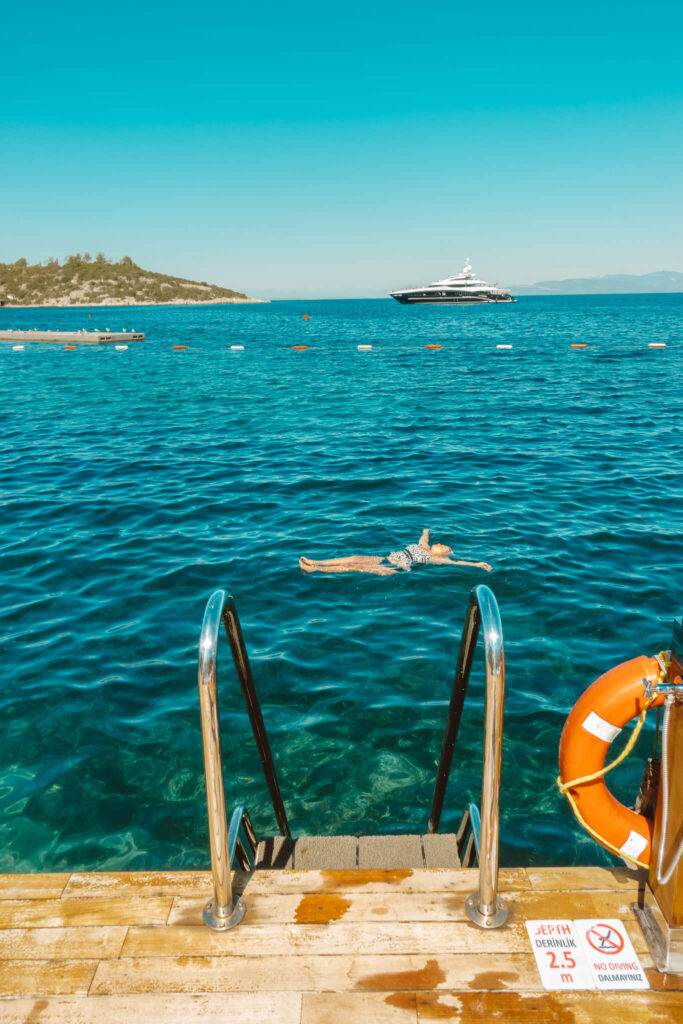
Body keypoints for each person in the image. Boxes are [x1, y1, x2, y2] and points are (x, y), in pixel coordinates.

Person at [299, 529, 492, 575]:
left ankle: (315, 569)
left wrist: (476, 564)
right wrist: (426, 530)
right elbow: (424, 537)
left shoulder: (435, 560)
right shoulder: (424, 547)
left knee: (355, 566)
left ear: (443, 553)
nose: (440, 544)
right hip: (386, 558)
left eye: (444, 547)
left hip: (395, 568)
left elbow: (457, 563)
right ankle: (316, 561)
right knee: (355, 557)